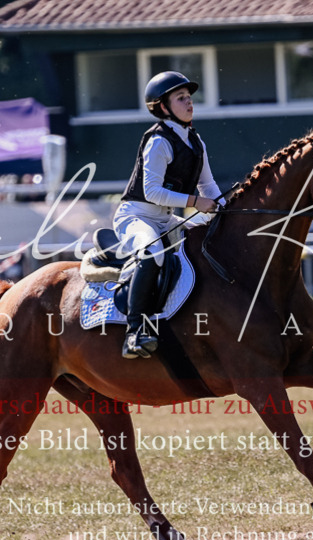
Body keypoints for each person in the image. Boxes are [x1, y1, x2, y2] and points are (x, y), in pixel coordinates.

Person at [114, 71, 224, 359]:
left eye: (189, 98)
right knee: (153, 252)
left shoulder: (196, 142)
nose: (189, 103)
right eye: (181, 98)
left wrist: (226, 208)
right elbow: (151, 192)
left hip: (165, 220)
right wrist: (195, 202)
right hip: (136, 216)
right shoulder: (158, 141)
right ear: (163, 107)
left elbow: (208, 185)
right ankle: (135, 332)